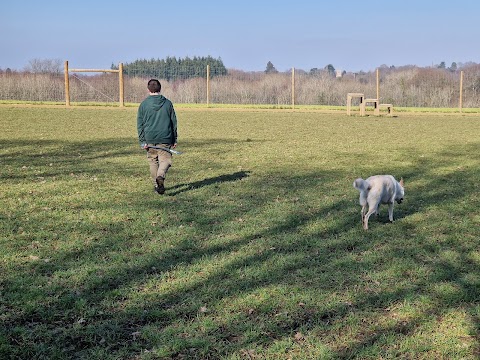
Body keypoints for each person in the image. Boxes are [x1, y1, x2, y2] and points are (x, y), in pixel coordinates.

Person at [137, 79, 178, 194]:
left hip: (149, 139)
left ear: (148, 89)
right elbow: (173, 122)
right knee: (166, 160)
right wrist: (174, 138)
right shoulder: (168, 103)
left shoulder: (143, 104)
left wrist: (142, 140)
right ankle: (160, 176)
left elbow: (140, 124)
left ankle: (157, 185)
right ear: (160, 89)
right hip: (165, 138)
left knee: (153, 161)